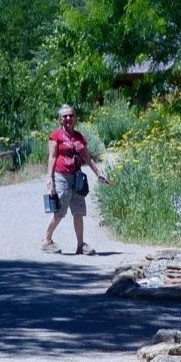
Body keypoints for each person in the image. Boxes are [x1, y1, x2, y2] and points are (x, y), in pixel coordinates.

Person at [42, 104, 108, 254]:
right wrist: (50, 178)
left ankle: (80, 245)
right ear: (60, 119)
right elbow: (52, 158)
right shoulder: (56, 136)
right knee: (60, 210)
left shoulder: (79, 137)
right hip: (62, 176)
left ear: (75, 118)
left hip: (77, 178)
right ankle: (46, 240)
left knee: (78, 211)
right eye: (64, 116)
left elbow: (87, 157)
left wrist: (98, 173)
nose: (68, 118)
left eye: (71, 115)